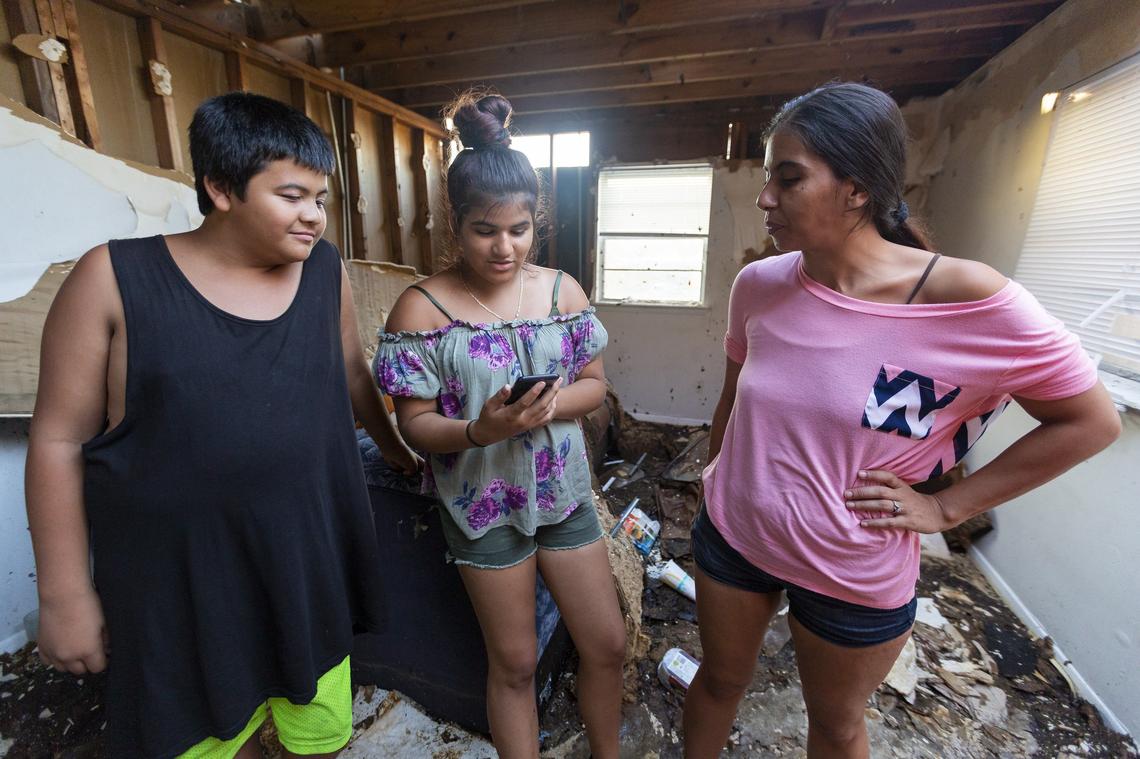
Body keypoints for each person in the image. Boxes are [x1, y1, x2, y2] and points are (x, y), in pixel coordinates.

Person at [682, 82, 1122, 759]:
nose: (765, 198)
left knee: (834, 725)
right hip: (736, 539)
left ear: (857, 188)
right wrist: (717, 474)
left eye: (788, 179)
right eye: (768, 178)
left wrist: (946, 508)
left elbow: (1091, 422)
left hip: (853, 567)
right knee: (718, 682)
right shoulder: (760, 286)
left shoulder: (970, 301)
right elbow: (734, 395)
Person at [25, 91, 419, 758]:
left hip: (304, 568)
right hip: (181, 592)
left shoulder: (324, 272)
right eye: (293, 195)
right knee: (193, 735)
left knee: (315, 730)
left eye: (321, 199)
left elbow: (352, 371)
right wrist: (65, 594)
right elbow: (58, 440)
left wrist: (401, 453)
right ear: (219, 186)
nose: (315, 217)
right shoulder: (115, 279)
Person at [376, 92, 626, 759]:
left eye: (519, 229)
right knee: (513, 664)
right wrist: (480, 431)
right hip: (483, 505)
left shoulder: (560, 293)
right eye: (486, 229)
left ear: (534, 221)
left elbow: (596, 388)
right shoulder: (421, 309)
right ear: (454, 223)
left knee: (607, 643)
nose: (505, 246)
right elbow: (415, 427)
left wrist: (545, 407)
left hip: (563, 495)